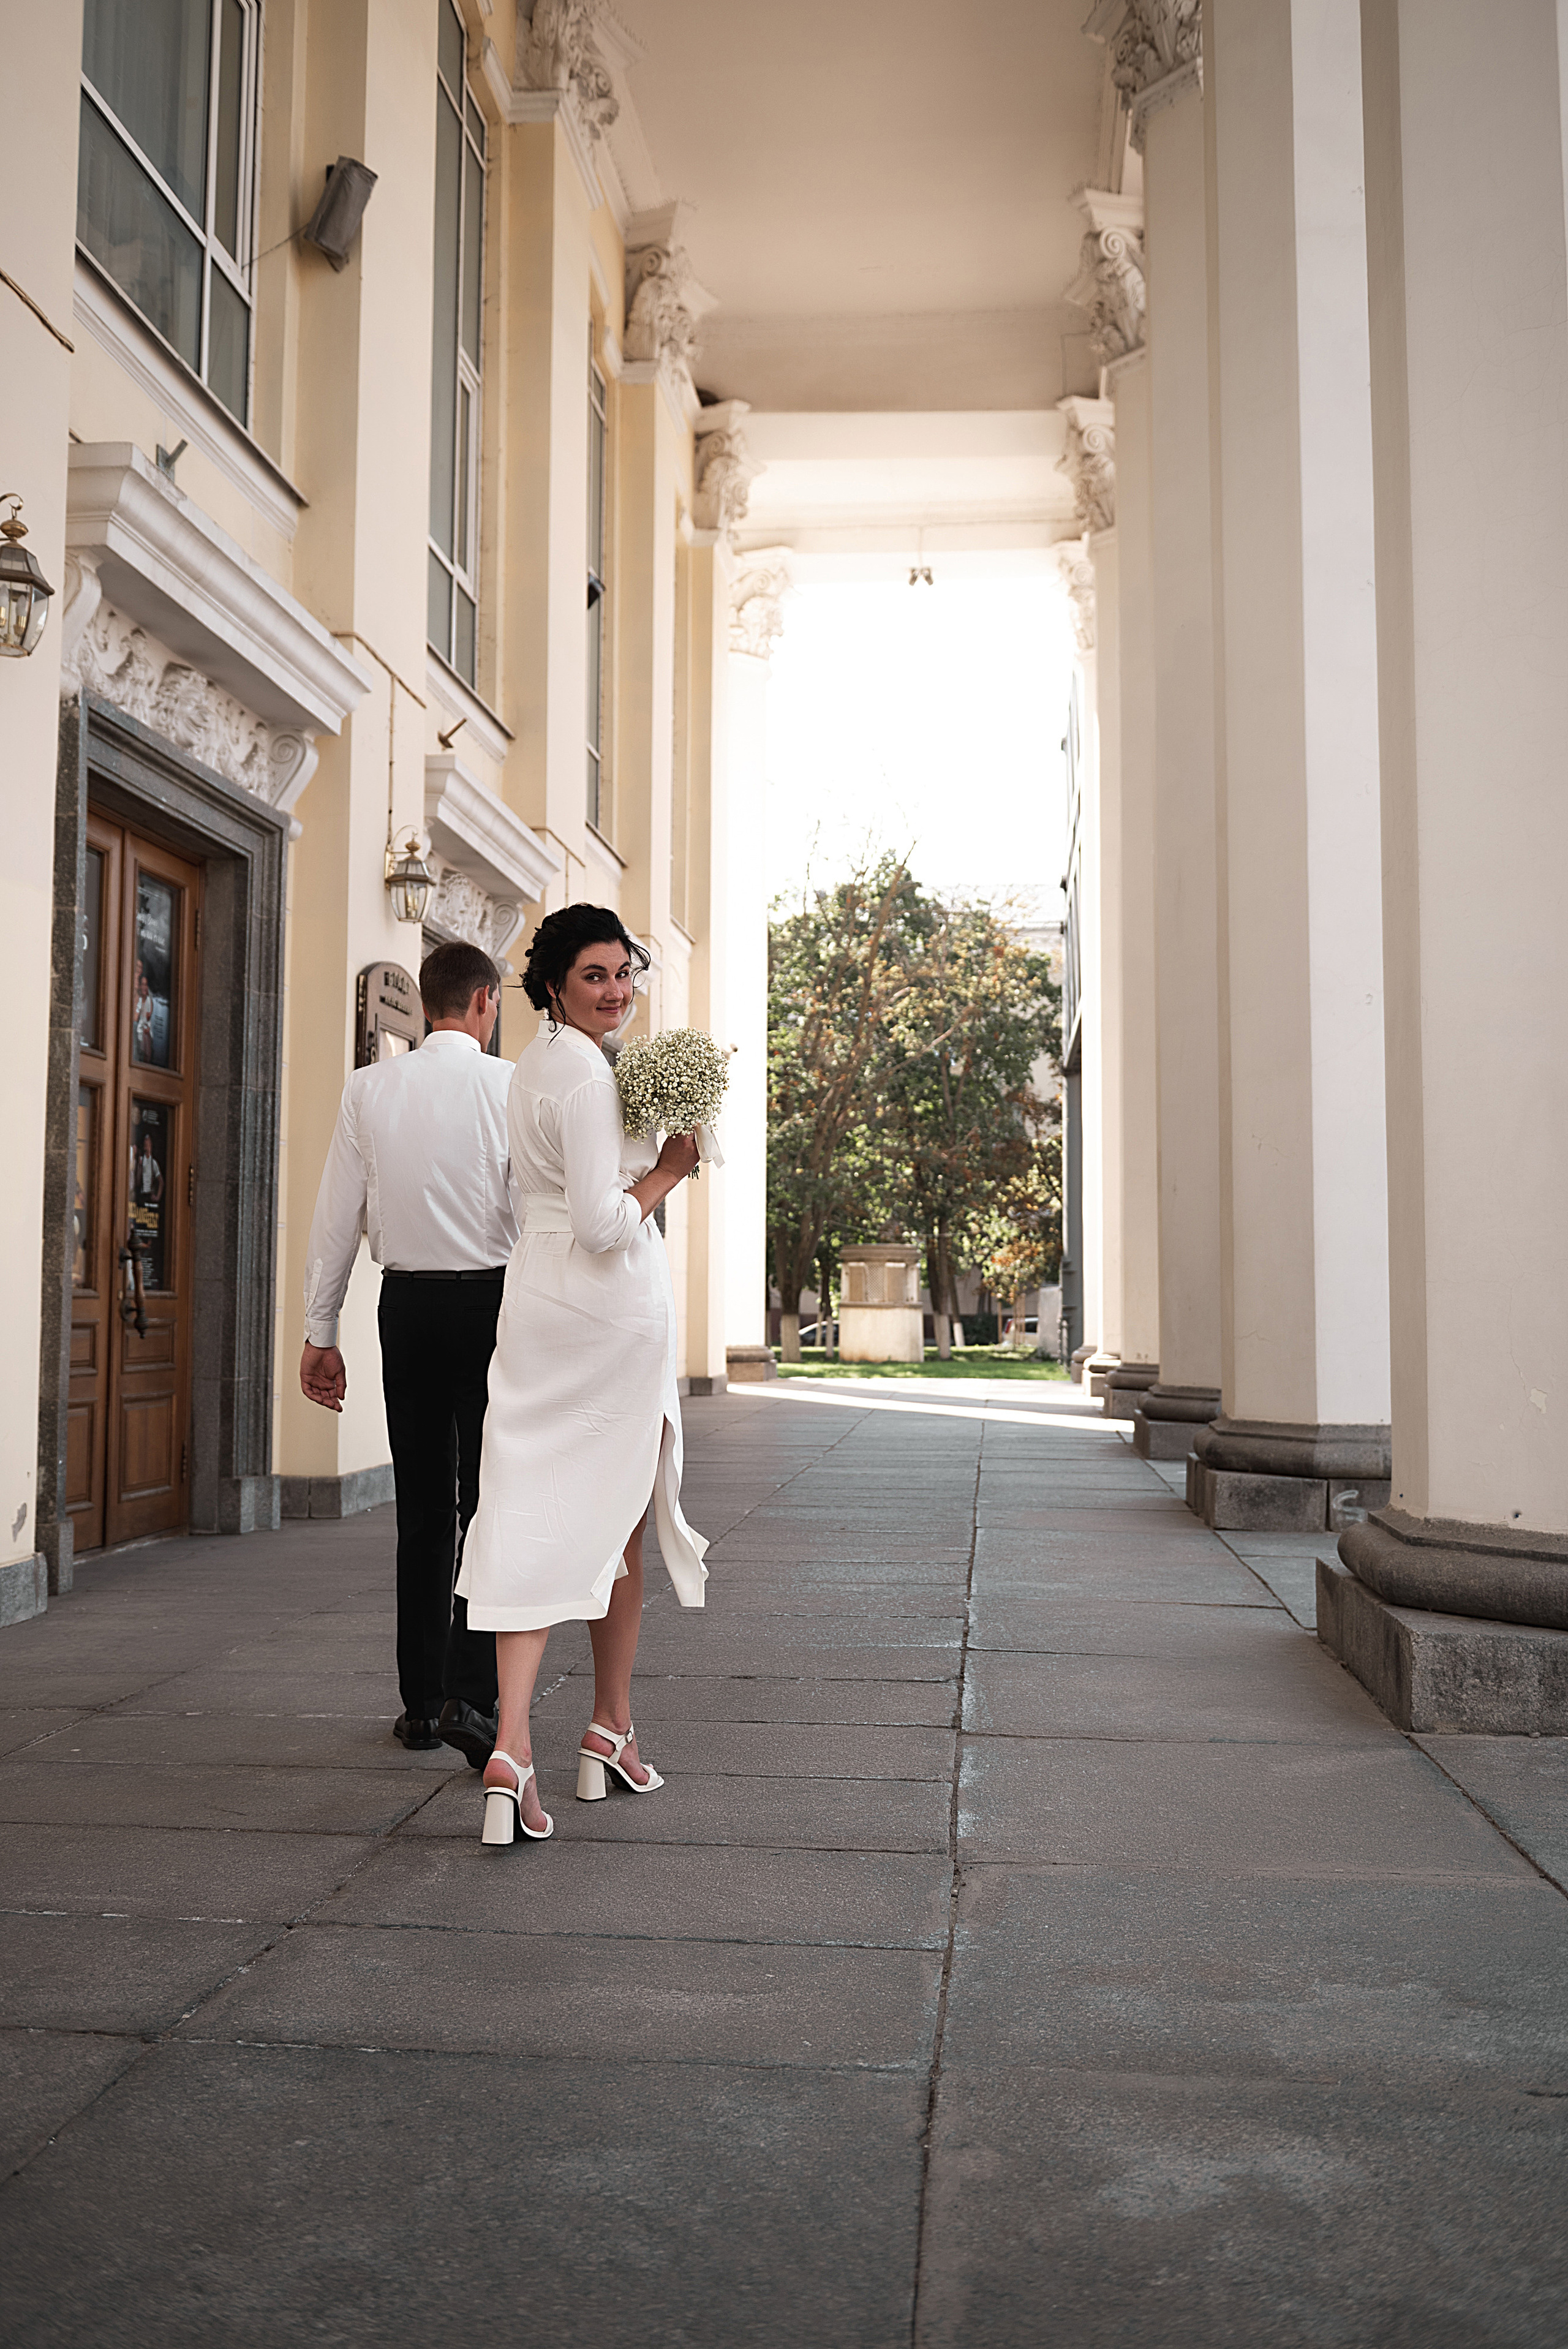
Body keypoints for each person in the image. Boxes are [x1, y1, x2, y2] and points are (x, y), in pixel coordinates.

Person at [457, 904, 708, 1846]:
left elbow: (530, 1196)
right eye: (596, 975)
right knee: (619, 1519)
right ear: (555, 983)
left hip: (539, 1299)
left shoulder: (530, 1067)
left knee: (523, 1507)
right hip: (605, 1308)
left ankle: (514, 1747)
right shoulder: (587, 1077)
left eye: (623, 973)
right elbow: (608, 1224)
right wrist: (673, 1168)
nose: (616, 990)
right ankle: (607, 1726)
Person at [299, 941, 516, 1764]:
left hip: (408, 1307)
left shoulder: (370, 1088)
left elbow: (335, 1218)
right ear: (486, 1002)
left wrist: (322, 1334)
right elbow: (533, 1217)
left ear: (429, 1004)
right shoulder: (511, 1086)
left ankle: (422, 1705)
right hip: (495, 1304)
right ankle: (473, 1695)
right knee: (489, 1501)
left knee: (423, 1506)